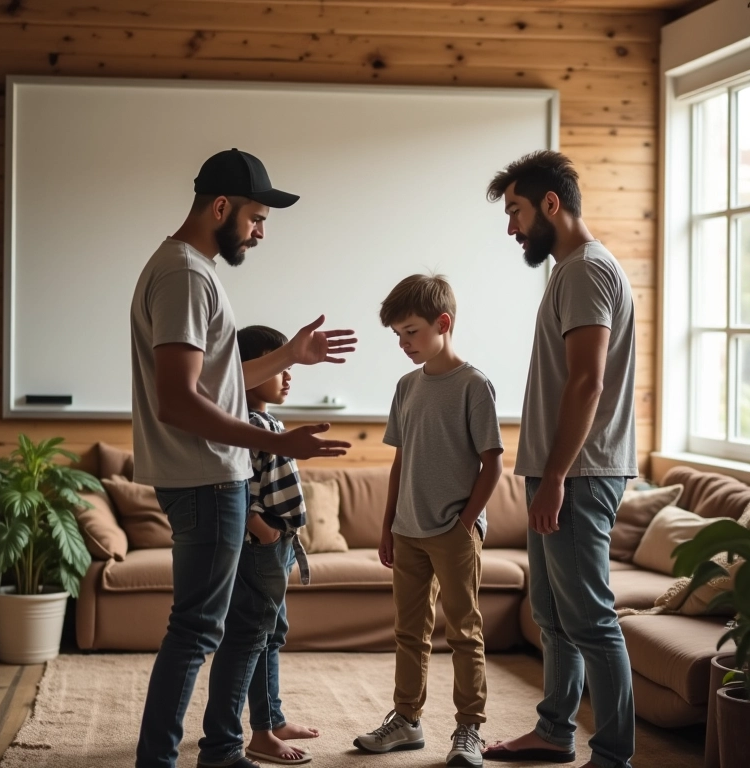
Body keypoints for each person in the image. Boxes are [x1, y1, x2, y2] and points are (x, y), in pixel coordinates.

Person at [130, 148, 357, 768]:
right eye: (257, 217)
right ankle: (167, 759)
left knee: (203, 627)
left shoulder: (187, 269)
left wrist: (291, 357)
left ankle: (221, 750)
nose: (260, 232)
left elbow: (214, 382)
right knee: (198, 630)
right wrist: (277, 442)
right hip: (206, 478)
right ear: (222, 207)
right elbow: (177, 401)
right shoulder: (184, 275)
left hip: (206, 477)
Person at [482, 150, 637, 768]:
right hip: (561, 471)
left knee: (590, 619)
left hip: (579, 472)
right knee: (552, 614)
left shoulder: (583, 271)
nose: (512, 227)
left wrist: (557, 478)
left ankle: (614, 754)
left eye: (516, 210)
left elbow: (587, 383)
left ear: (552, 204)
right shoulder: (570, 271)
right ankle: (553, 732)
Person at [353, 274, 504, 768]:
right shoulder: (406, 387)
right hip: (407, 531)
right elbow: (400, 461)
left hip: (453, 534)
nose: (403, 344)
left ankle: (470, 730)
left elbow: (493, 463)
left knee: (464, 632)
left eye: (411, 332)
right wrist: (386, 526)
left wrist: (465, 525)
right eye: (397, 335)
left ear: (444, 324)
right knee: (409, 632)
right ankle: (406, 720)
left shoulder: (474, 385)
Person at [235, 324, 319, 766]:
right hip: (262, 543)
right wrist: (261, 529)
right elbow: (240, 485)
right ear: (249, 370)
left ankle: (271, 717)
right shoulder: (247, 424)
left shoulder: (267, 420)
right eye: (280, 363)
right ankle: (261, 734)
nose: (288, 373)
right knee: (256, 633)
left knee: (272, 633)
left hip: (277, 543)